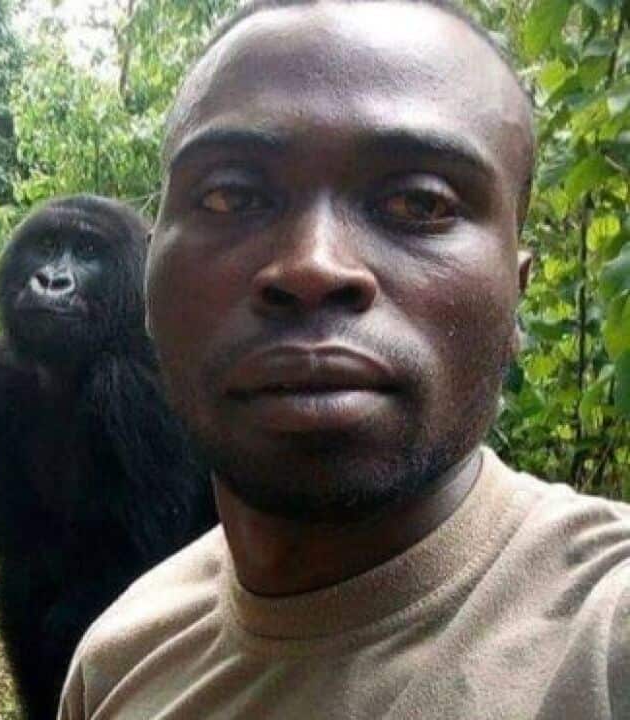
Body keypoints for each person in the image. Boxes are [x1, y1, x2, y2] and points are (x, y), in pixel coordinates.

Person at [60, 1, 630, 718]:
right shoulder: (120, 664)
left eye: (419, 203)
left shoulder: (606, 633)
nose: (312, 265)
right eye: (231, 196)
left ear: (516, 296)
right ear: (149, 287)